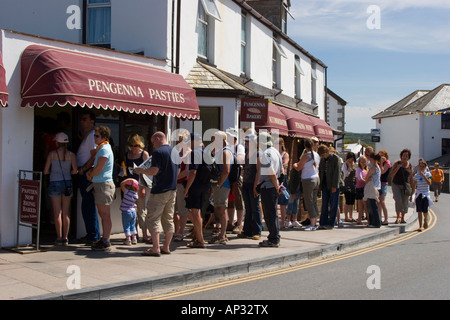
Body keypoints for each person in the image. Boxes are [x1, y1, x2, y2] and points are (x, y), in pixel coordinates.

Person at [135, 132, 180, 256]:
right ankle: (166, 247)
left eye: (153, 141)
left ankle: (155, 248)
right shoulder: (175, 152)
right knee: (168, 219)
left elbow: (154, 171)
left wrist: (140, 170)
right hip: (172, 190)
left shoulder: (158, 152)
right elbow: (179, 170)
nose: (153, 145)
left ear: (158, 139)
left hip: (160, 190)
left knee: (153, 218)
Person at [43, 132, 78, 245]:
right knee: (66, 212)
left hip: (54, 182)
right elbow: (75, 171)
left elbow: (45, 171)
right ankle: (66, 237)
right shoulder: (71, 155)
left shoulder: (52, 154)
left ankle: (59, 238)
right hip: (67, 183)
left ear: (57, 142)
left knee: (57, 212)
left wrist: (51, 172)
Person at [86, 126, 116, 251]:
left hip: (103, 184)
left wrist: (90, 174)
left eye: (97, 136)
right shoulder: (103, 148)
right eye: (94, 135)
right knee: (103, 214)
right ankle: (105, 239)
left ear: (104, 137)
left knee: (104, 215)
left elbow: (99, 168)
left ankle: (105, 240)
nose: (95, 138)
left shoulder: (104, 149)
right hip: (101, 183)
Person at [76, 110, 100, 244]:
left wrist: (83, 169)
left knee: (88, 204)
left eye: (84, 119)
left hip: (86, 175)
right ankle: (91, 233)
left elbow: (94, 156)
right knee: (87, 204)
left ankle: (93, 234)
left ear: (92, 121)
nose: (81, 121)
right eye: (81, 119)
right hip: (84, 174)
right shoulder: (88, 136)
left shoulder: (92, 136)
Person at [257, 132, 283, 247]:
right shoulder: (276, 152)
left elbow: (271, 172)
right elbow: (281, 171)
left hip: (268, 186)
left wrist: (276, 186)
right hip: (273, 185)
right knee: (273, 213)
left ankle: (273, 238)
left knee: (270, 214)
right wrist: (279, 184)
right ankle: (275, 236)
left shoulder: (266, 154)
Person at [123, 134, 150, 243]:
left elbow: (147, 173)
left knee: (141, 211)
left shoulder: (144, 154)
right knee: (130, 211)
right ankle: (134, 234)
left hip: (139, 185)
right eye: (131, 145)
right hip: (129, 186)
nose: (133, 148)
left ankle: (144, 234)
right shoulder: (127, 155)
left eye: (135, 145)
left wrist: (143, 188)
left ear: (140, 145)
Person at [184, 133, 209, 248]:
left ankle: (200, 240)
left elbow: (193, 172)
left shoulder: (195, 153)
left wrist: (187, 188)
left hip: (196, 186)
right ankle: (198, 236)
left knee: (195, 212)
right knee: (199, 213)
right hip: (206, 186)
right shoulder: (207, 151)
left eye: (190, 141)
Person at [209, 131, 233, 245]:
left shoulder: (225, 153)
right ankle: (222, 234)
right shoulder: (221, 152)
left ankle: (222, 235)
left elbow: (226, 170)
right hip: (221, 184)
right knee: (219, 209)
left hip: (223, 185)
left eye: (216, 139)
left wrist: (219, 184)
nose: (213, 141)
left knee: (222, 209)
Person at [238, 133, 262, 240]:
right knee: (248, 207)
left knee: (255, 207)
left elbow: (258, 171)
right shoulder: (248, 152)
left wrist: (256, 186)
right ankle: (247, 230)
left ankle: (257, 231)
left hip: (253, 183)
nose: (246, 143)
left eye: (248, 141)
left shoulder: (257, 153)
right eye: (246, 141)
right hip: (246, 182)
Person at [294, 138, 320, 231]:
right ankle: (315, 222)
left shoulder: (306, 156)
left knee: (309, 202)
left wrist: (294, 164)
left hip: (308, 180)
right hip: (316, 178)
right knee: (314, 201)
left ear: (305, 146)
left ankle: (312, 223)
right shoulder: (316, 155)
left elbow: (298, 167)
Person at [317, 145, 343, 229]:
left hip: (333, 184)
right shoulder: (323, 160)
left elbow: (337, 173)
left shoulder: (335, 159)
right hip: (325, 184)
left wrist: (335, 186)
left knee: (334, 204)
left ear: (327, 152)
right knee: (324, 204)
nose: (323, 157)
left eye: (324, 155)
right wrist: (320, 185)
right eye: (322, 156)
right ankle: (323, 222)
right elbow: (321, 172)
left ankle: (331, 223)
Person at [225, 128, 245, 234]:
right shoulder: (227, 147)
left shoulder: (239, 147)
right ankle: (231, 222)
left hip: (237, 178)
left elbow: (241, 159)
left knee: (239, 200)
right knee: (230, 201)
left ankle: (239, 224)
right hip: (228, 177)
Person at [174, 130, 191, 242]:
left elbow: (187, 171)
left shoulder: (188, 153)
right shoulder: (177, 152)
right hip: (173, 184)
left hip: (182, 184)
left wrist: (175, 178)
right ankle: (176, 231)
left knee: (182, 210)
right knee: (174, 210)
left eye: (180, 140)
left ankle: (181, 232)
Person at [390, 148, 413, 224]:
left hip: (405, 185)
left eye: (406, 156)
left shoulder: (410, 166)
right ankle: (398, 217)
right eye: (403, 155)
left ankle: (403, 218)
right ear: (401, 156)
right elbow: (391, 175)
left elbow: (411, 178)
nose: (405, 157)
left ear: (408, 157)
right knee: (398, 200)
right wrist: (397, 168)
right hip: (396, 184)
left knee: (404, 202)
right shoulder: (397, 163)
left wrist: (412, 189)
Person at [412, 161, 432, 231]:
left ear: (425, 167)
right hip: (419, 194)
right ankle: (420, 225)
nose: (421, 168)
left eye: (423, 167)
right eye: (420, 166)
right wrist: (412, 194)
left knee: (425, 210)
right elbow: (414, 185)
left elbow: (429, 183)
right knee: (419, 210)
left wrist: (424, 176)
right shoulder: (416, 176)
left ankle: (425, 219)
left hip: (425, 194)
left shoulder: (428, 174)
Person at [362, 153, 381, 228]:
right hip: (376, 188)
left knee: (371, 206)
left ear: (372, 159)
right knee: (372, 205)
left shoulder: (372, 169)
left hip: (372, 188)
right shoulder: (377, 167)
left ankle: (375, 222)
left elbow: (366, 178)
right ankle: (373, 222)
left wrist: (365, 178)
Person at [119, 178, 139, 245]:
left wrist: (128, 179)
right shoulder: (136, 195)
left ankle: (128, 239)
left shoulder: (127, 193)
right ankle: (134, 238)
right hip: (133, 212)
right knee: (132, 225)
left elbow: (121, 184)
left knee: (126, 226)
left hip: (126, 211)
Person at [277, 137, 290, 229]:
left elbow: (285, 163)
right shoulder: (274, 153)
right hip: (274, 176)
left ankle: (282, 221)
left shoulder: (285, 154)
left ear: (282, 144)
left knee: (282, 201)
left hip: (282, 177)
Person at [342, 152, 357, 223]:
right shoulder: (345, 165)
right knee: (347, 200)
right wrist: (349, 168)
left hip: (353, 184)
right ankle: (346, 216)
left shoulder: (355, 165)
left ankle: (351, 216)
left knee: (352, 201)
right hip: (347, 183)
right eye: (350, 159)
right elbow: (345, 175)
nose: (351, 160)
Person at [378, 150, 391, 225]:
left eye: (383, 155)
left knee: (382, 201)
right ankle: (380, 218)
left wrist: (382, 163)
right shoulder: (378, 163)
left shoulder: (387, 163)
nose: (381, 157)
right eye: (380, 156)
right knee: (379, 202)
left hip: (384, 183)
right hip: (378, 183)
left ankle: (386, 219)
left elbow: (382, 172)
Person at [355, 156, 368, 225]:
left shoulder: (366, 170)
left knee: (364, 205)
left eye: (364, 161)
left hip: (365, 188)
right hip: (360, 189)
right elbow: (360, 179)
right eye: (362, 162)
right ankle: (360, 219)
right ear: (359, 162)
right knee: (362, 205)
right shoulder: (358, 170)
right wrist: (367, 180)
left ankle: (361, 219)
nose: (363, 163)